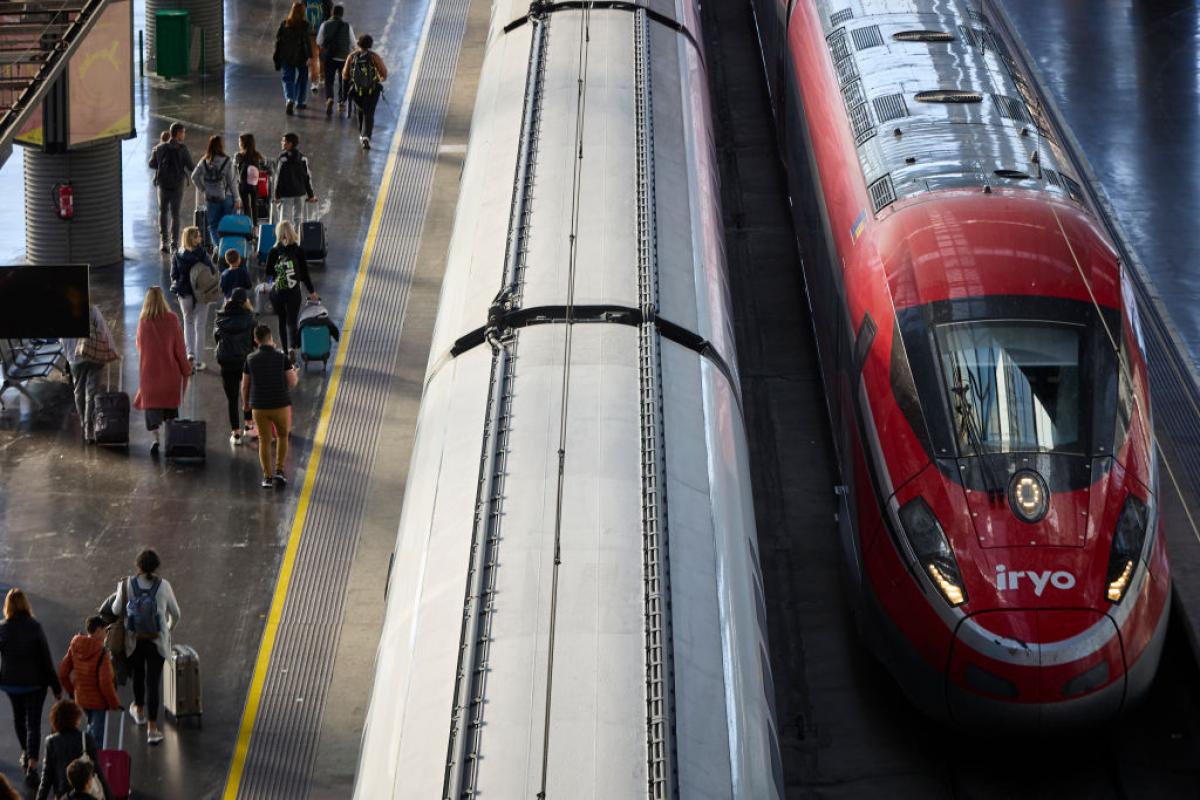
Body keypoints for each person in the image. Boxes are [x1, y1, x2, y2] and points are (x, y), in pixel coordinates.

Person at [109, 549, 181, 746]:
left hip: (134, 641)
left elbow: (116, 610)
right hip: (156, 642)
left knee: (138, 677)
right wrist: (167, 629)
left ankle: (139, 711)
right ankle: (152, 729)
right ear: (156, 566)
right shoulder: (164, 586)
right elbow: (176, 613)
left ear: (138, 565)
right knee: (153, 683)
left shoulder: (125, 584)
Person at [0, 589, 62, 787]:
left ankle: (25, 752)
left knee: (19, 718)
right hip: (35, 684)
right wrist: (56, 686)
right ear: (26, 604)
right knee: (33, 723)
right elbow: (46, 659)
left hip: (11, 684)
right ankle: (32, 767)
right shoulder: (35, 627)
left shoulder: (2, 628)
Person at [133, 287, 192, 455]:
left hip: (149, 378)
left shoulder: (143, 321)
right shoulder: (172, 319)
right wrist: (186, 369)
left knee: (152, 412)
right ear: (163, 299)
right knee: (170, 410)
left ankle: (156, 439)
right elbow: (180, 349)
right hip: (170, 377)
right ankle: (172, 439)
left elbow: (139, 346)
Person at [243, 324, 299, 488]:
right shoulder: (282, 358)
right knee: (282, 436)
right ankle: (280, 471)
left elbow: (245, 386)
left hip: (259, 407)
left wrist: (246, 405)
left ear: (256, 340)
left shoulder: (250, 359)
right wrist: (293, 371)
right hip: (280, 404)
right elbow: (292, 382)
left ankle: (267, 477)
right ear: (271, 338)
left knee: (264, 441)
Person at [57, 617, 122, 746]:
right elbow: (105, 683)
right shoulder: (102, 653)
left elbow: (63, 672)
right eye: (105, 631)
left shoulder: (75, 646)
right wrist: (114, 703)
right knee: (97, 738)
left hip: (81, 698)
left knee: (91, 726)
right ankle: (92, 762)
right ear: (98, 631)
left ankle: (87, 753)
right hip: (98, 702)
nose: (106, 634)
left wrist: (72, 691)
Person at [64, 304, 119, 444]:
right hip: (95, 355)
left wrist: (68, 355)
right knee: (92, 392)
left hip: (74, 357)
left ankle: (83, 423)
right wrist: (112, 350)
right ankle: (90, 428)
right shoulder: (91, 309)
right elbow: (103, 330)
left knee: (79, 391)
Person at [35, 700, 111, 800]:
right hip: (85, 793)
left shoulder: (51, 742)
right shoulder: (86, 738)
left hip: (62, 794)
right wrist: (109, 796)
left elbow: (46, 777)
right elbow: (97, 770)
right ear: (76, 719)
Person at [266, 221, 319, 356]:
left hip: (278, 293)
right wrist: (312, 291)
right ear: (292, 232)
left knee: (282, 321)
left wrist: (272, 282)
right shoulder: (298, 250)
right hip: (293, 293)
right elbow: (304, 274)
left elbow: (268, 273)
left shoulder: (274, 251)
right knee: (292, 321)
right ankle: (292, 348)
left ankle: (284, 351)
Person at [170, 226, 220, 369]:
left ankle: (189, 354)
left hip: (184, 294)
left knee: (188, 323)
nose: (201, 238)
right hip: (201, 294)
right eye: (198, 236)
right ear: (192, 238)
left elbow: (173, 275)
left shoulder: (177, 254)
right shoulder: (201, 254)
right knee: (200, 326)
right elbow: (211, 269)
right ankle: (198, 361)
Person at [214, 288, 258, 446]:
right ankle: (249, 425)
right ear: (246, 301)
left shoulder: (220, 318)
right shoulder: (250, 318)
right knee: (246, 393)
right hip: (245, 361)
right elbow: (255, 341)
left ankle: (236, 434)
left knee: (231, 398)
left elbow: (216, 338)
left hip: (226, 361)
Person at [148, 122, 195, 254]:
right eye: (183, 132)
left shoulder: (160, 147)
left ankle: (164, 242)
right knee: (175, 215)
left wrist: (156, 156)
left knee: (163, 212)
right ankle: (174, 243)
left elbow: (152, 164)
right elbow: (191, 167)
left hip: (162, 185)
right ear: (178, 133)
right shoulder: (183, 149)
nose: (184, 135)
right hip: (177, 186)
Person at [191, 135, 241, 246]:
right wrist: (237, 198)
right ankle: (227, 249)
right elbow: (232, 182)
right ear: (221, 146)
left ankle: (218, 248)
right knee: (228, 225)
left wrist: (203, 189)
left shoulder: (204, 161)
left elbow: (194, 176)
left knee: (213, 225)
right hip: (227, 198)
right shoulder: (227, 161)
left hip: (211, 198)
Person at [343, 34, 388, 150]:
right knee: (369, 113)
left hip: (357, 91)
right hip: (372, 90)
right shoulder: (374, 57)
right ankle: (366, 136)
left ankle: (362, 135)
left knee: (360, 111)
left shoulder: (352, 56)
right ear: (370, 45)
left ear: (358, 44)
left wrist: (344, 93)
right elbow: (384, 74)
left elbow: (345, 75)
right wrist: (376, 80)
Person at [274, 2, 313, 115]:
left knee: (288, 78)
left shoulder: (284, 24)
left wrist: (277, 55)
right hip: (301, 56)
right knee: (302, 78)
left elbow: (279, 41)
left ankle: (290, 99)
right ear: (303, 13)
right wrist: (309, 56)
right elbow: (306, 42)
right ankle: (300, 102)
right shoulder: (305, 25)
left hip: (286, 55)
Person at [274, 133, 317, 230]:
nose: (282, 143)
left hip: (286, 194)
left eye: (284, 141)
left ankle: (284, 241)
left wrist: (277, 195)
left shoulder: (282, 159)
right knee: (298, 218)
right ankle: (296, 241)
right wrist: (311, 195)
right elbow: (306, 178)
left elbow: (279, 178)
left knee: (284, 219)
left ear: (290, 144)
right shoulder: (303, 158)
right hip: (300, 193)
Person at [317, 4, 354, 117]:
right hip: (344, 58)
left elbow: (319, 41)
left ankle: (329, 99)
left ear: (332, 13)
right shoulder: (347, 26)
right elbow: (353, 43)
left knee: (329, 80)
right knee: (344, 80)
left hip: (330, 58)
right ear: (342, 14)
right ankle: (341, 102)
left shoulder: (325, 25)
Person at [234, 133, 267, 226]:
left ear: (244, 143)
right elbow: (264, 165)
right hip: (254, 183)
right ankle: (256, 226)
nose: (239, 143)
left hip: (243, 183)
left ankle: (247, 225)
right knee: (254, 205)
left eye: (240, 141)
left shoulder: (239, 155)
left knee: (245, 205)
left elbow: (235, 169)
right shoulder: (257, 155)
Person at [305, 0, 332, 91]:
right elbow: (330, 12)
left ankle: (314, 82)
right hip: (323, 31)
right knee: (322, 56)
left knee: (313, 57)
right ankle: (322, 77)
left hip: (310, 32)